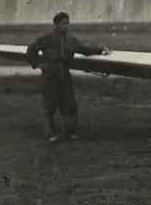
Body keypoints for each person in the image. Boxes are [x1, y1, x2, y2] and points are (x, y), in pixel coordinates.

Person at [27, 12, 110, 142]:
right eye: (63, 23)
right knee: (50, 103)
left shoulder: (71, 40)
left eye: (68, 23)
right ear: (56, 24)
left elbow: (84, 49)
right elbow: (31, 50)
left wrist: (99, 50)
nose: (66, 26)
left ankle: (70, 131)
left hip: (64, 73)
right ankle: (50, 133)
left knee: (69, 102)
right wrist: (38, 65)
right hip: (50, 74)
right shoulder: (46, 38)